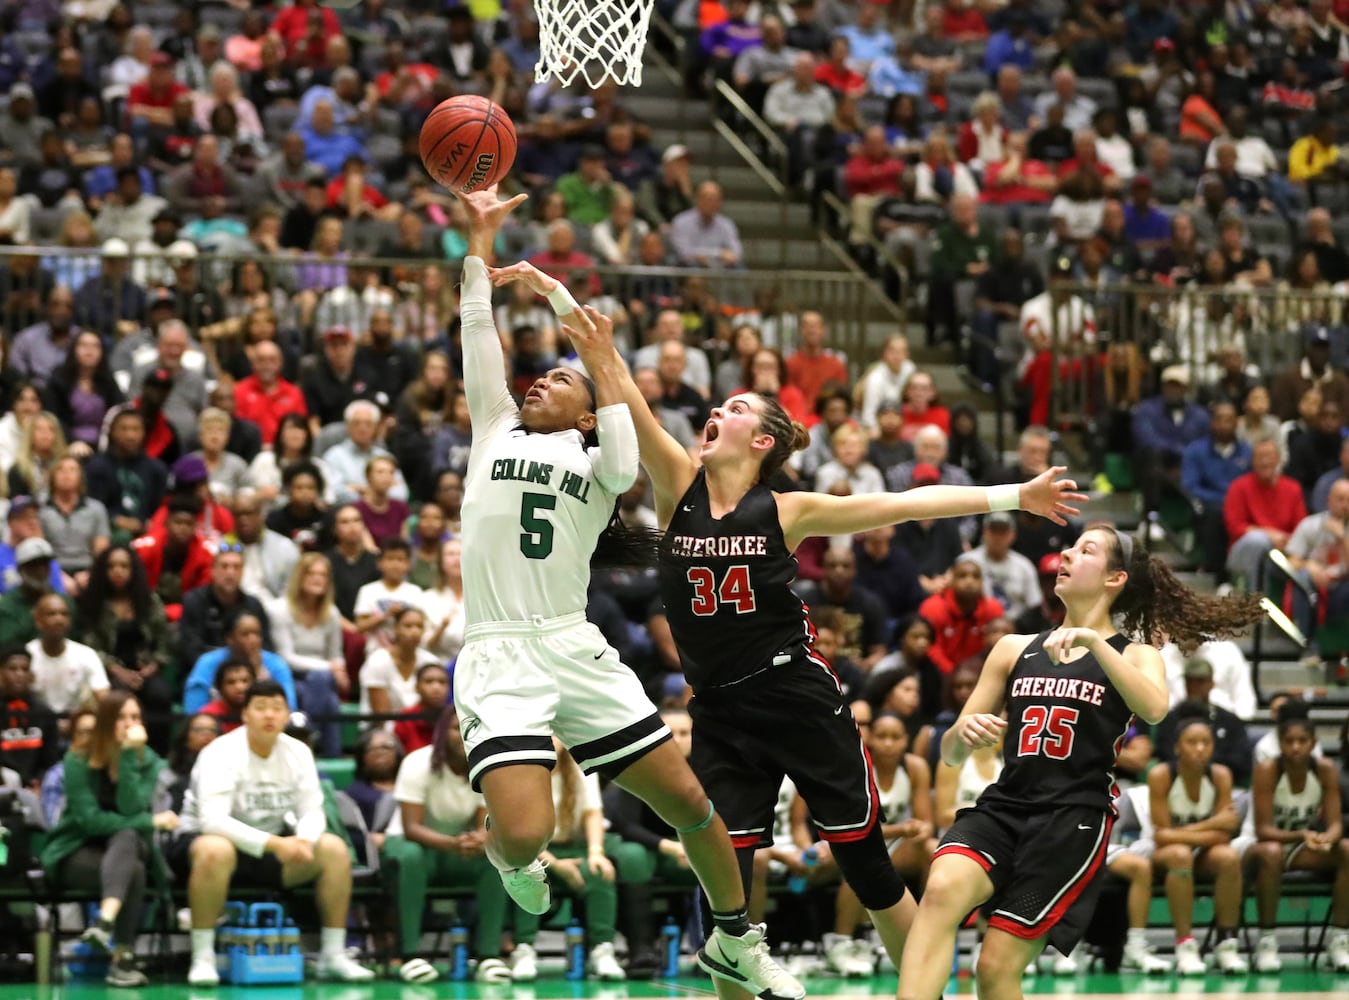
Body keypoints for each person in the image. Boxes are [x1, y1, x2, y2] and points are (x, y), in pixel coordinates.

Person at [493, 248, 1088, 998]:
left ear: (764, 441)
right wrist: (571, 315)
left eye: (737, 409)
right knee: (729, 901)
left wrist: (1014, 495)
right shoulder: (678, 482)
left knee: (867, 869)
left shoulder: (787, 509)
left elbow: (911, 502)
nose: (718, 411)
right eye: (719, 406)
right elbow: (619, 392)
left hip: (796, 698)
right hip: (719, 710)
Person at [460, 187, 803, 1000]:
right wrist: (480, 241)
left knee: (691, 801)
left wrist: (568, 306)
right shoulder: (492, 429)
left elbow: (612, 386)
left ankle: (734, 943)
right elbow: (478, 332)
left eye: (560, 380)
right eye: (538, 376)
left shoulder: (603, 464)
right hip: (499, 649)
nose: (540, 380)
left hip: (570, 643)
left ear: (587, 417)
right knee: (522, 832)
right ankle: (512, 856)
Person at [895, 524, 1265, 1000]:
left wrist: (1092, 643)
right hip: (1005, 806)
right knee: (941, 890)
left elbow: (1153, 709)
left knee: (994, 969)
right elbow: (949, 752)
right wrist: (961, 734)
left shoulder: (1137, 654)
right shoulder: (1013, 647)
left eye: (1084, 550)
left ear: (1115, 578)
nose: (1066, 555)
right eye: (1068, 548)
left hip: (1072, 822)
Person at [170, 678, 373, 985]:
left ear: (286, 715)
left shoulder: (298, 752)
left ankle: (333, 954)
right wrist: (276, 844)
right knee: (216, 848)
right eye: (261, 708)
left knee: (333, 849)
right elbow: (212, 820)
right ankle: (203, 957)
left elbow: (312, 811)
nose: (269, 715)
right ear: (245, 714)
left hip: (271, 847)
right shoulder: (220, 752)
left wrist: (304, 840)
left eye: (277, 708)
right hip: (203, 847)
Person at [40, 692, 176, 987]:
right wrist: (150, 821)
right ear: (106, 722)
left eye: (136, 717)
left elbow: (130, 806)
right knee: (134, 866)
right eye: (122, 718)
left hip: (125, 852)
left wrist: (127, 755)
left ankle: (104, 923)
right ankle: (122, 960)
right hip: (76, 852)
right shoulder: (77, 759)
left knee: (127, 839)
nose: (130, 724)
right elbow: (90, 822)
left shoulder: (147, 760)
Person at [381, 706, 510, 983]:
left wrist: (479, 839)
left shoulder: (484, 768)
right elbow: (411, 828)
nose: (463, 736)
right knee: (411, 857)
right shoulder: (418, 762)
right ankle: (410, 956)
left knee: (495, 858)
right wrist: (455, 844)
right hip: (409, 846)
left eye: (471, 729)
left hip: (454, 850)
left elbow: (482, 823)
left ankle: (489, 956)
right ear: (441, 733)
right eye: (456, 728)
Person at [829, 712, 935, 976]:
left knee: (932, 849)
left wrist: (920, 831)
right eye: (882, 736)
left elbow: (926, 822)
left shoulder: (915, 768)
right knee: (860, 865)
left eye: (895, 737)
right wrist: (902, 828)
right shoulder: (857, 766)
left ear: (905, 740)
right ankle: (840, 945)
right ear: (870, 739)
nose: (888, 743)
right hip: (856, 842)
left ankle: (932, 933)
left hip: (897, 847)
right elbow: (855, 827)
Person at [1146, 708, 1249, 974]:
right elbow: (1161, 837)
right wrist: (1211, 823)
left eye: (1206, 743)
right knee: (1179, 854)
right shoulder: (1161, 775)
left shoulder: (1220, 775)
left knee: (1228, 857)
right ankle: (1185, 946)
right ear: (1178, 747)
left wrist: (1193, 831)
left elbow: (1224, 835)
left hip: (1203, 854)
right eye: (1192, 743)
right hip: (1161, 857)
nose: (1200, 749)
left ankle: (1227, 945)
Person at [1246, 712, 1349, 972]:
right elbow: (1263, 830)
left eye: (1302, 741)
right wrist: (1302, 835)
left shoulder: (1324, 769)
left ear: (1314, 743)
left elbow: (1336, 822)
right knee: (1271, 852)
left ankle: (1339, 941)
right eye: (1289, 741)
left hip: (1298, 847)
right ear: (1280, 743)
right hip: (1253, 847)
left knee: (1347, 849)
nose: (1295, 747)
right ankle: (1267, 943)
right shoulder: (1267, 770)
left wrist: (1329, 837)